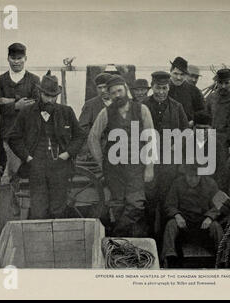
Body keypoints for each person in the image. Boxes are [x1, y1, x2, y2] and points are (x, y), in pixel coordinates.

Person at [6, 70, 85, 219]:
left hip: (60, 167)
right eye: (46, 95)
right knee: (39, 210)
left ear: (57, 96)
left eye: (53, 96)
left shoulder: (66, 112)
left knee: (58, 210)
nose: (49, 100)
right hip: (36, 167)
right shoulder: (27, 113)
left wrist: (67, 154)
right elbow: (13, 137)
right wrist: (28, 157)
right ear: (40, 92)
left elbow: (80, 136)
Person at [88, 75, 156, 237]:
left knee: (136, 205)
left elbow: (151, 138)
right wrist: (101, 163)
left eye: (119, 90)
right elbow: (93, 138)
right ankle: (123, 246)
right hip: (114, 169)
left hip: (136, 167)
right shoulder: (106, 113)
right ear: (109, 95)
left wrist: (150, 167)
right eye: (113, 93)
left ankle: (116, 236)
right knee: (117, 205)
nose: (117, 95)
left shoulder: (141, 110)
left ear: (125, 89)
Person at [142, 71, 189, 237]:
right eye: (157, 88)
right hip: (149, 161)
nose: (161, 92)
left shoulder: (177, 107)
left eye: (164, 88)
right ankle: (149, 236)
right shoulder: (142, 106)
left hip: (169, 161)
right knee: (149, 199)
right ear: (152, 87)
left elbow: (186, 131)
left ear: (169, 87)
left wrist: (177, 143)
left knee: (166, 200)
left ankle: (163, 237)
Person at [0, 42, 40, 215]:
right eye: (13, 58)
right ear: (8, 58)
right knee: (11, 175)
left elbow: (36, 104)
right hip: (8, 136)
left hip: (29, 135)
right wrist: (16, 105)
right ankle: (11, 214)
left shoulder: (34, 80)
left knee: (34, 171)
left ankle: (33, 210)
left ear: (25, 59)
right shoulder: (0, 80)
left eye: (20, 58)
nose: (16, 62)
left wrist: (6, 101)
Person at [161, 163, 223, 268]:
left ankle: (223, 259)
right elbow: (169, 204)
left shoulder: (211, 184)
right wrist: (177, 215)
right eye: (190, 176)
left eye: (196, 176)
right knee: (170, 225)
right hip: (184, 224)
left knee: (216, 227)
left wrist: (210, 217)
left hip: (203, 224)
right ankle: (169, 258)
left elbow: (218, 205)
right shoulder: (177, 183)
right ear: (185, 174)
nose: (193, 180)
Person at [205, 68, 230, 188]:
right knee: (208, 169)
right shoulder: (211, 98)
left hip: (228, 142)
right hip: (211, 138)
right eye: (221, 83)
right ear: (217, 83)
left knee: (223, 172)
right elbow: (206, 117)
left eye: (226, 83)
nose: (223, 86)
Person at [78, 73, 112, 160]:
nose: (103, 90)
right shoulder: (90, 105)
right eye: (99, 88)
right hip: (98, 150)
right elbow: (82, 129)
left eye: (105, 87)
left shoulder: (119, 103)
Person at [168, 56, 205, 125]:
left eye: (182, 74)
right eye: (175, 73)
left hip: (188, 129)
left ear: (186, 75)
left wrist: (193, 121)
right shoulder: (163, 89)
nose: (178, 78)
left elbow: (201, 111)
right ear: (170, 72)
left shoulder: (194, 90)